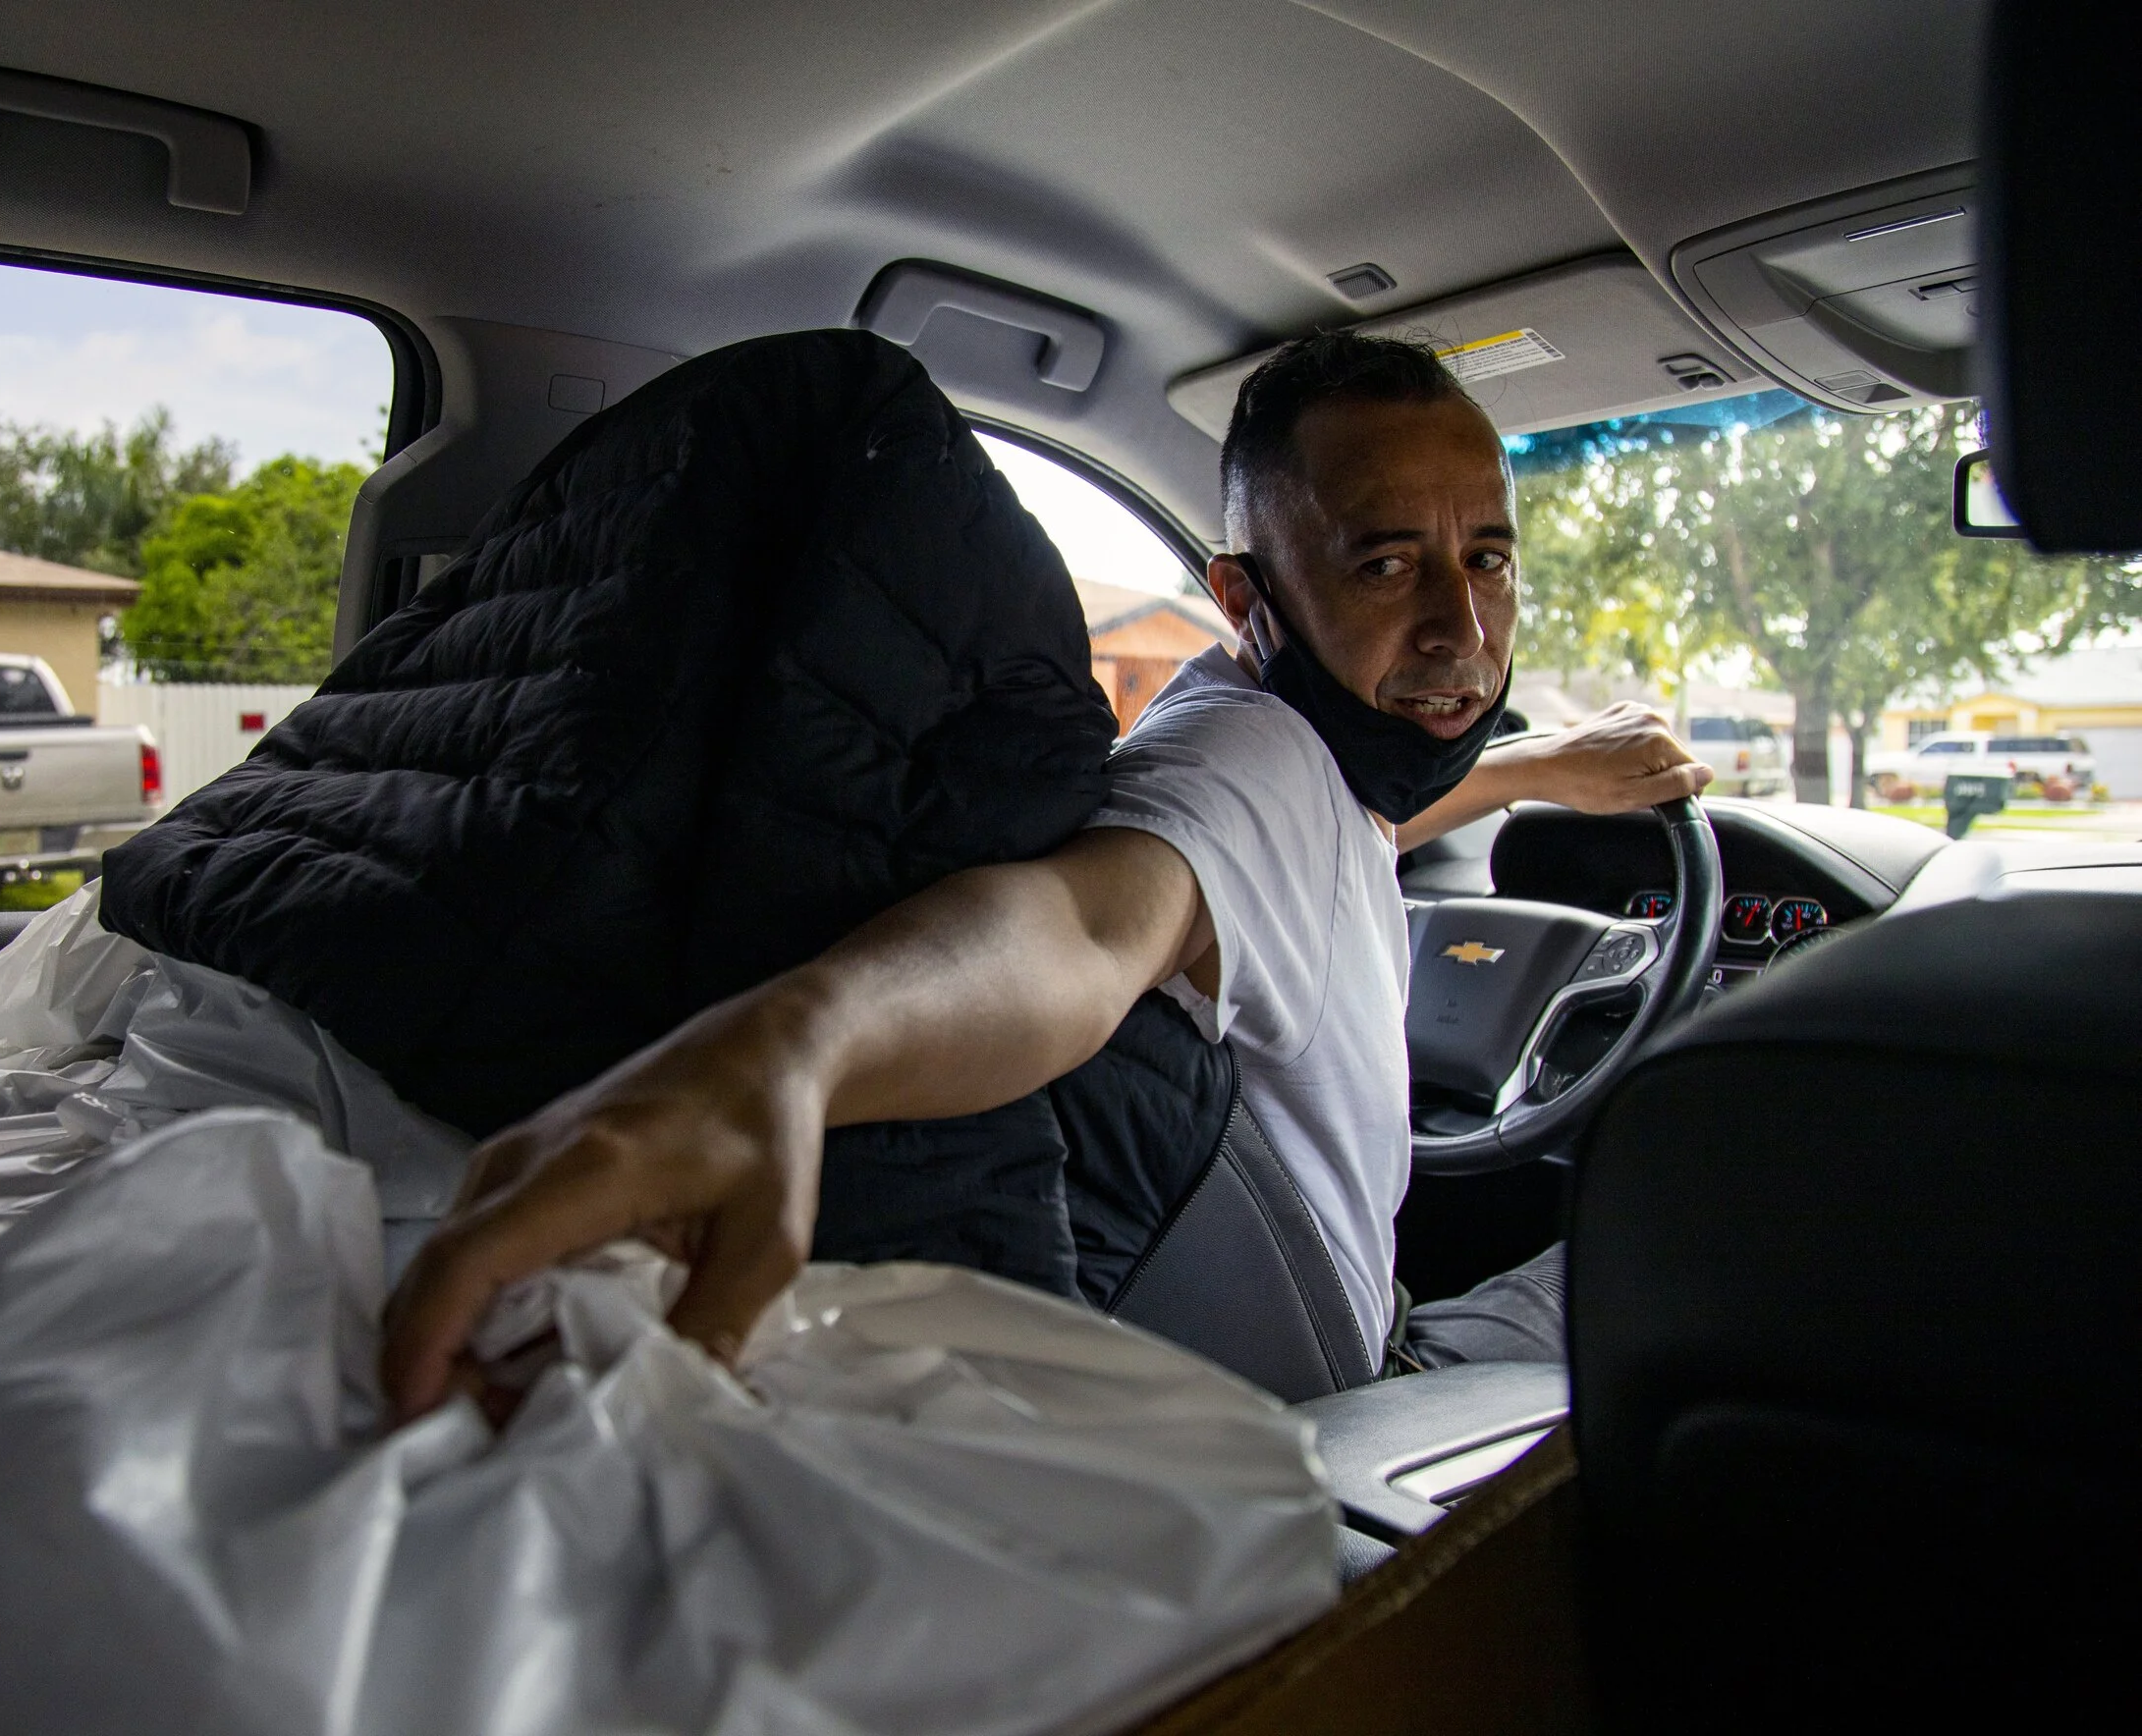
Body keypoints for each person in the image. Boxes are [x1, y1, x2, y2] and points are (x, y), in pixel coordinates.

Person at [381, 330, 1710, 1419]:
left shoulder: (1302, 765)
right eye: (1384, 564)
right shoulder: (1243, 764)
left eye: (1486, 557)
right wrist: (786, 1053)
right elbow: (1080, 925)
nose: (1461, 628)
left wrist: (1531, 770)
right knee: (1719, 1241)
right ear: (1245, 604)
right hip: (1358, 1414)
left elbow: (1351, 836)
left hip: (1309, 1382)